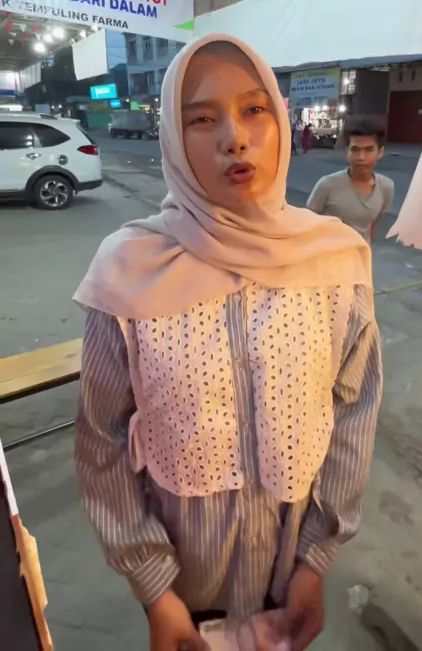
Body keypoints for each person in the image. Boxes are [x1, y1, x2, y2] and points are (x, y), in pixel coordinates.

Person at [74, 35, 382, 651]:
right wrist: (156, 592)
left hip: (289, 574)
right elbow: (102, 440)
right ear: (172, 137)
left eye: (253, 110)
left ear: (280, 123)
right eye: (202, 119)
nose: (234, 138)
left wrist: (316, 562)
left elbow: (353, 411)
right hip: (185, 584)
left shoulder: (335, 260)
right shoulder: (128, 270)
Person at [307, 117, 394, 244]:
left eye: (369, 150)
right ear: (347, 152)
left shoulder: (386, 187)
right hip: (326, 253)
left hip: (360, 254)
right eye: (355, 150)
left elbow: (372, 225)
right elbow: (307, 224)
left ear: (380, 152)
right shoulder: (327, 185)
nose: (361, 157)